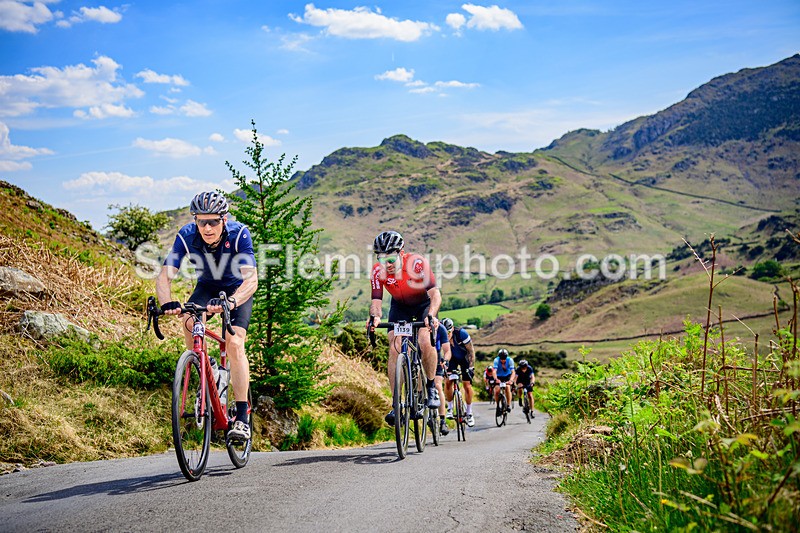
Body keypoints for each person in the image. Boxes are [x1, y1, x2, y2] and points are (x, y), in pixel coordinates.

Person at [156, 191, 258, 441]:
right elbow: (164, 275)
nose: (208, 227)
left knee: (234, 343)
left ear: (224, 219)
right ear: (195, 221)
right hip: (207, 287)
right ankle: (207, 369)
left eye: (213, 221)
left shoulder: (239, 234)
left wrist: (232, 301)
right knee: (189, 321)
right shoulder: (186, 236)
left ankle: (242, 418)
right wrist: (167, 302)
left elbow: (251, 278)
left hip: (236, 291)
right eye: (202, 221)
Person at [367, 231, 441, 426]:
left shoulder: (417, 264)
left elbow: (435, 295)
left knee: (425, 341)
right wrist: (374, 317)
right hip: (400, 308)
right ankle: (396, 404)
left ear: (401, 253)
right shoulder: (377, 271)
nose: (387, 265)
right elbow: (376, 301)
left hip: (423, 305)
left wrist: (431, 315)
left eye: (391, 259)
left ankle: (431, 387)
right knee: (394, 348)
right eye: (382, 260)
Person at [442, 317, 476, 427]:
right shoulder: (440, 336)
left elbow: (471, 352)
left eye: (447, 332)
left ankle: (469, 413)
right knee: (447, 382)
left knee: (466, 385)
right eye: (444, 332)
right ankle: (450, 408)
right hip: (451, 359)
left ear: (452, 329)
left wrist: (471, 368)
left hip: (464, 358)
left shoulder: (462, 334)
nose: (446, 335)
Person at [431, 321, 450, 436]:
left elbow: (447, 350)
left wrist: (446, 360)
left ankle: (442, 420)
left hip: (436, 358)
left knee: (438, 385)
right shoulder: (418, 325)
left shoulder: (441, 329)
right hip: (419, 356)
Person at [492, 348, 515, 413]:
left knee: (507, 388)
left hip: (507, 376)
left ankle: (508, 405)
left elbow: (513, 372)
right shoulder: (496, 360)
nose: (503, 360)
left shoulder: (510, 360)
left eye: (504, 358)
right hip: (498, 376)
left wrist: (511, 380)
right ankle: (498, 406)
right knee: (497, 391)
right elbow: (494, 371)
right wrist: (496, 379)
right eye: (501, 358)